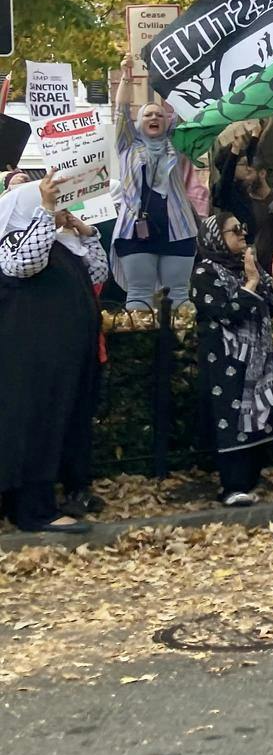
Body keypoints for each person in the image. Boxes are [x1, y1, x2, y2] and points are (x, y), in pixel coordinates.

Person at [0, 173, 106, 532]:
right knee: (34, 428)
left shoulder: (58, 242)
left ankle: (54, 497)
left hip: (63, 359)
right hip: (32, 360)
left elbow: (99, 271)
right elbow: (22, 264)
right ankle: (34, 510)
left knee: (60, 426)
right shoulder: (15, 240)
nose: (59, 210)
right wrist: (44, 210)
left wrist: (85, 232)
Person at [192, 212, 273, 504]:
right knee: (230, 419)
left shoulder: (246, 267)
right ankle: (231, 486)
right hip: (226, 361)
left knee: (259, 417)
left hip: (257, 360)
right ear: (216, 237)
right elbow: (226, 313)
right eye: (234, 230)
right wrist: (250, 284)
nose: (242, 234)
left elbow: (268, 308)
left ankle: (248, 482)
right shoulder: (204, 273)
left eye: (243, 227)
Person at [110, 54, 200, 318]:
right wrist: (126, 77)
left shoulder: (177, 142)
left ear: (166, 121)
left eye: (159, 114)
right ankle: (139, 353)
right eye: (148, 114)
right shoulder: (127, 145)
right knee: (139, 295)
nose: (154, 117)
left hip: (178, 229)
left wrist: (182, 73)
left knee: (179, 296)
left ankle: (182, 355)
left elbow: (186, 109)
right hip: (135, 231)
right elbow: (121, 113)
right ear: (139, 122)